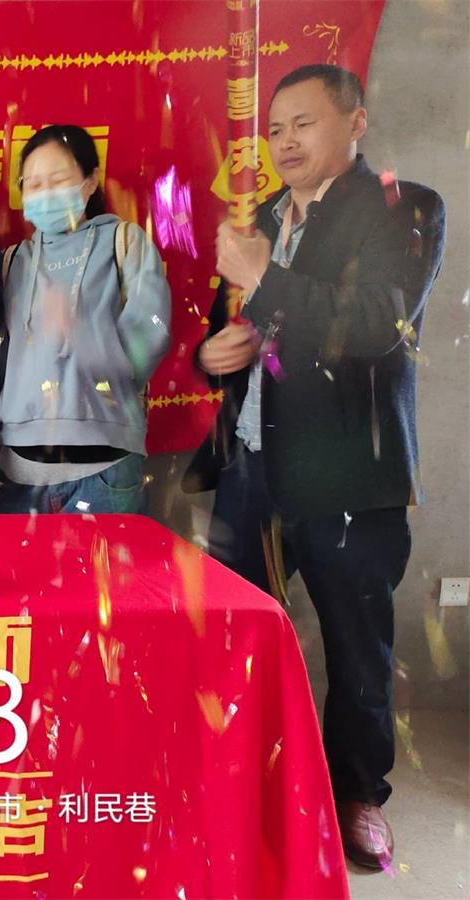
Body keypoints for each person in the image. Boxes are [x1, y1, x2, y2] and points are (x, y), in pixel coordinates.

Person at [183, 65, 446, 869]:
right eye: (275, 129)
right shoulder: (261, 217)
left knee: (356, 644)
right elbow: (243, 332)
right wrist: (214, 355)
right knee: (232, 634)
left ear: (355, 122)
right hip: (253, 468)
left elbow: (373, 327)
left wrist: (263, 276)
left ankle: (359, 794)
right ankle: (234, 776)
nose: (285, 142)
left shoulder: (404, 209)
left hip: (347, 475)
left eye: (303, 123)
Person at [0, 125, 170, 514]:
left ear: (90, 181)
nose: (46, 193)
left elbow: (149, 344)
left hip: (105, 472)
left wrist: (78, 333)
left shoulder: (124, 243)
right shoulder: (12, 261)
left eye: (59, 180)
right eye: (33, 184)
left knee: (107, 561)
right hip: (19, 475)